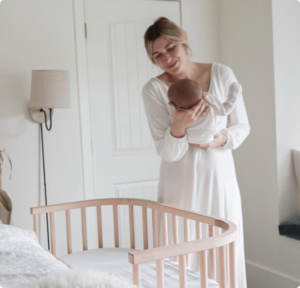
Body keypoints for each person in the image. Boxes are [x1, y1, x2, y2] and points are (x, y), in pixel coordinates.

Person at [142, 17, 250, 288]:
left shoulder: (222, 74)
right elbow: (167, 152)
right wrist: (178, 127)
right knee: (180, 251)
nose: (167, 58)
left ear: (183, 41)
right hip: (180, 184)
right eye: (158, 54)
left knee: (222, 248)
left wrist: (220, 140)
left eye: (170, 48)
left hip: (219, 179)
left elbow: (242, 125)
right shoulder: (154, 90)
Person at [168, 78, 241, 145]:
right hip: (211, 134)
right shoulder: (206, 99)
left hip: (190, 139)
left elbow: (173, 122)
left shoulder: (178, 112)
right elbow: (224, 112)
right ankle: (235, 92)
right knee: (224, 111)